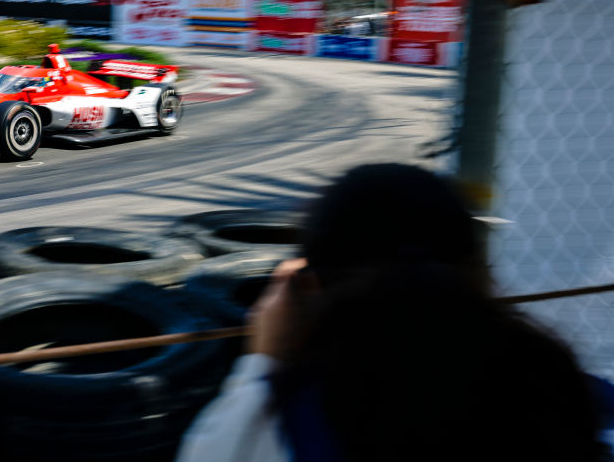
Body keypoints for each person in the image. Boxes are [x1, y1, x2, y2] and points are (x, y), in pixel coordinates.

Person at [177, 163, 611, 462]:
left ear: (307, 291)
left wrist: (262, 363)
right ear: (480, 275)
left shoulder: (262, 431)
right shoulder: (574, 399)